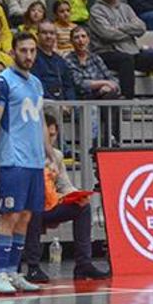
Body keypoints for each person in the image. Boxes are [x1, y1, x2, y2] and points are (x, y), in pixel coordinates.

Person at [0, 32, 46, 294]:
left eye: (32, 50)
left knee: (26, 216)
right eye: (23, 50)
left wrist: (49, 155)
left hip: (34, 162)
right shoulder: (3, 82)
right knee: (10, 215)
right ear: (12, 52)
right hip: (12, 159)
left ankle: (13, 272)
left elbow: (40, 121)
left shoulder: (37, 83)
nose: (29, 55)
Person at [21, 115, 108, 282]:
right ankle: (33, 266)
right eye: (47, 135)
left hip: (50, 204)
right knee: (34, 208)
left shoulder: (57, 156)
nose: (50, 140)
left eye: (53, 135)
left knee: (82, 207)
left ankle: (83, 264)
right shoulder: (23, 155)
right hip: (27, 207)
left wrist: (76, 196)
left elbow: (65, 185)